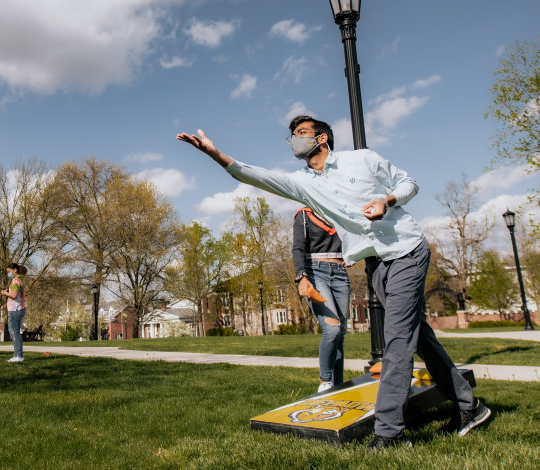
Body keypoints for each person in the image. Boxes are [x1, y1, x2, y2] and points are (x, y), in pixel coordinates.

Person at [176, 116, 490, 450]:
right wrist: (215, 155)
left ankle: (389, 433)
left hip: (406, 249)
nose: (294, 140)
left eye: (301, 134)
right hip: (375, 262)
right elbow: (253, 175)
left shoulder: (362, 159)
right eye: (292, 136)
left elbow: (408, 182)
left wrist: (388, 201)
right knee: (419, 339)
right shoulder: (302, 184)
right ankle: (470, 408)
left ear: (321, 138)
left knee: (397, 339)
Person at [293, 207, 350, 393]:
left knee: (340, 334)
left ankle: (338, 387)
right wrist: (301, 276)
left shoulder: (341, 211)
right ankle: (325, 383)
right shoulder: (304, 215)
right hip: (314, 272)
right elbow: (298, 247)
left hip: (340, 273)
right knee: (332, 329)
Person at [1, 263, 27, 363]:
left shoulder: (15, 280)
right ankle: (17, 355)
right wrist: (9, 291)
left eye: (9, 271)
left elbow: (14, 296)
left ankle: (19, 355)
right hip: (18, 308)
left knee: (14, 332)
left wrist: (5, 293)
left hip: (15, 309)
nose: (8, 274)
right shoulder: (20, 280)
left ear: (14, 270)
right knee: (14, 332)